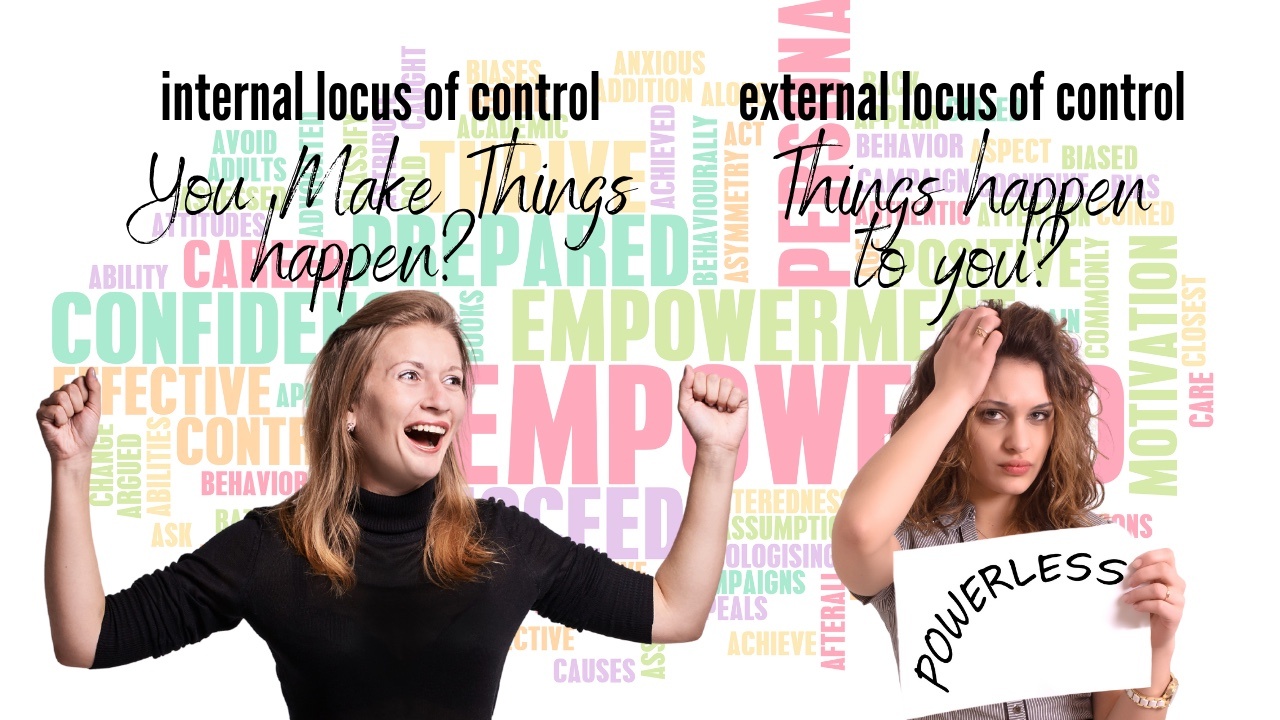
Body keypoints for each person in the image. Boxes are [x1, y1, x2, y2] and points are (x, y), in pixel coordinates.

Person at [40, 290, 749, 719]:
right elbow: (89, 639)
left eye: (453, 379)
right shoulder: (272, 548)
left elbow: (674, 612)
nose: (440, 396)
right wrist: (72, 467)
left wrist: (715, 456)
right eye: (410, 375)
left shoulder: (500, 543)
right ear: (350, 407)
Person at [832, 302, 1185, 719]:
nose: (1019, 441)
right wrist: (953, 391)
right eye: (992, 414)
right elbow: (857, 531)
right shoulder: (910, 545)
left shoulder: (1092, 547)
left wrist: (1157, 651)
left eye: (1038, 415)